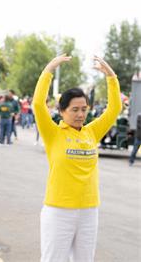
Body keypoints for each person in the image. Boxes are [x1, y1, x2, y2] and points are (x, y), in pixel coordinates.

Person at [33, 54, 121, 262]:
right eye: (74, 110)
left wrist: (111, 76)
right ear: (62, 111)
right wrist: (49, 69)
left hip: (89, 211)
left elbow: (114, 108)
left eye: (84, 109)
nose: (80, 114)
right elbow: (38, 104)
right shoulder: (53, 133)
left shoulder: (91, 132)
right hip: (59, 211)